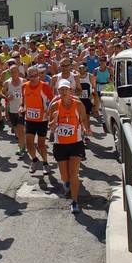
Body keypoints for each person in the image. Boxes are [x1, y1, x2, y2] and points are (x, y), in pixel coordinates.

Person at [48, 80, 91, 214]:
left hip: (75, 143)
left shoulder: (78, 105)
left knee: (74, 175)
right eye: (61, 89)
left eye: (66, 89)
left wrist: (86, 130)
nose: (64, 91)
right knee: (65, 176)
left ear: (71, 90)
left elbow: (83, 121)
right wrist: (54, 121)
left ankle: (74, 201)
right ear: (58, 91)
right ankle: (66, 183)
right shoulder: (55, 105)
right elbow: (50, 127)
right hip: (60, 144)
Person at [20, 66, 54, 175]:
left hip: (42, 120)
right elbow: (23, 100)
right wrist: (21, 107)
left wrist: (48, 111)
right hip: (29, 119)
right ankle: (34, 160)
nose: (33, 78)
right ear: (28, 76)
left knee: (41, 145)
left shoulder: (44, 86)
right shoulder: (24, 86)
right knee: (29, 144)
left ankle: (45, 163)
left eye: (35, 76)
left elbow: (52, 101)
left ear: (38, 75)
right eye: (31, 76)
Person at [2, 64, 26, 157]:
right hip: (12, 109)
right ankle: (22, 141)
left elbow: (28, 92)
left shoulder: (23, 82)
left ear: (18, 72)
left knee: (20, 128)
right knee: (16, 129)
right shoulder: (7, 83)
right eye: (11, 72)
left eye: (15, 72)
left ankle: (21, 147)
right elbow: (2, 92)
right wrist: (7, 97)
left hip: (22, 108)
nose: (13, 74)